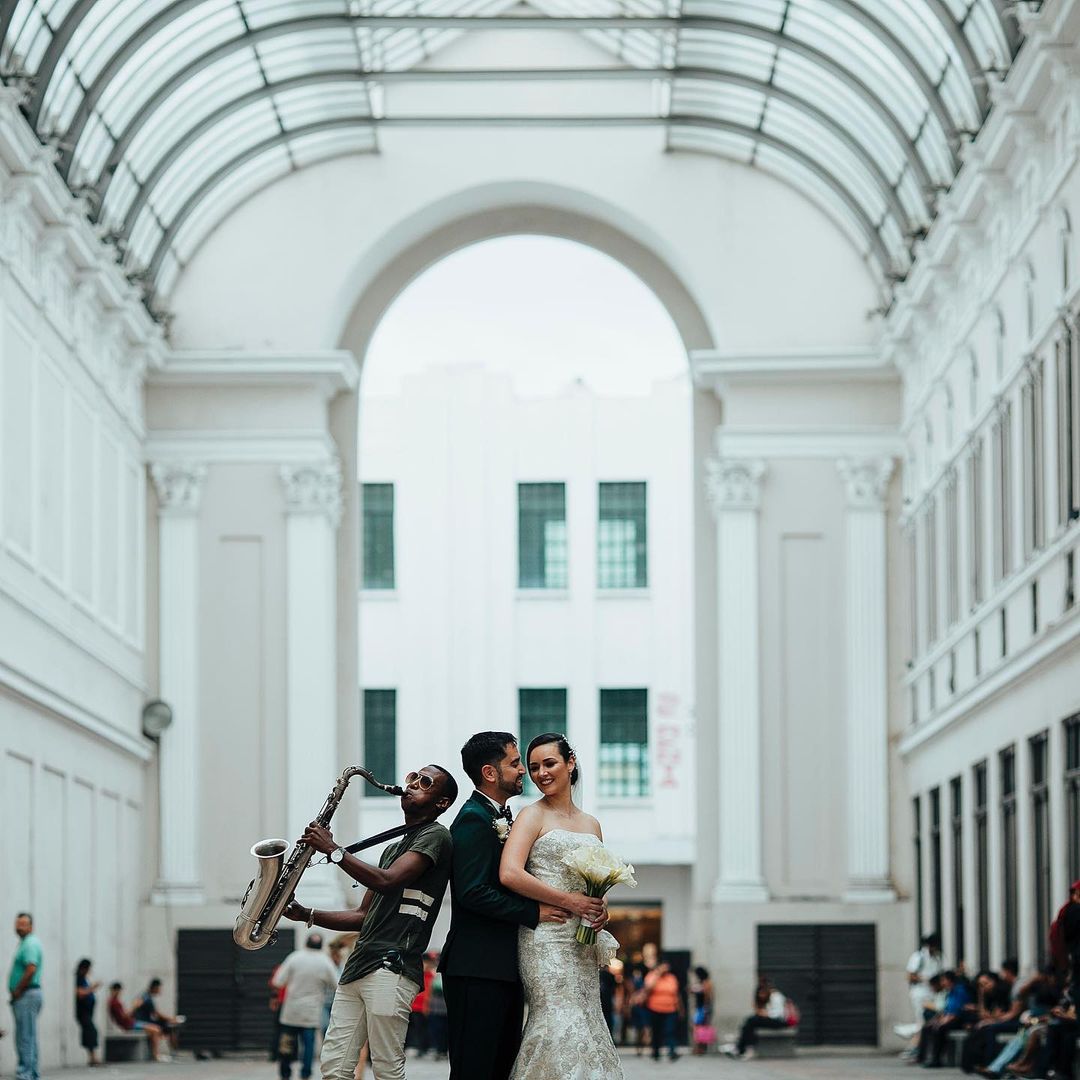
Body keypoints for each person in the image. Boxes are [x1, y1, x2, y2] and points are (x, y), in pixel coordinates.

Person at [282, 763, 457, 1080]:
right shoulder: (393, 847)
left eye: (425, 782)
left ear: (441, 803)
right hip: (357, 966)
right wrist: (306, 914)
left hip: (392, 965)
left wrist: (334, 850)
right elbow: (363, 916)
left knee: (387, 1069)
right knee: (334, 1068)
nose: (413, 783)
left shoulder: (436, 836)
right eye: (412, 777)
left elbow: (387, 881)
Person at [438, 731, 572, 1080]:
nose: (523, 771)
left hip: (503, 966)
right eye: (515, 763)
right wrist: (534, 913)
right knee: (475, 1069)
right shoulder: (473, 818)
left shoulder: (501, 816)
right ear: (490, 773)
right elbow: (473, 892)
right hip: (476, 967)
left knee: (500, 1068)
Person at [498, 732, 619, 1079]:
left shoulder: (591, 823)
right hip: (545, 938)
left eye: (549, 763)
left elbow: (596, 882)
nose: (540, 773)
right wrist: (571, 901)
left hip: (582, 941)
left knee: (587, 1017)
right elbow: (509, 873)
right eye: (533, 767)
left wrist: (600, 909)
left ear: (570, 763)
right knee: (556, 1018)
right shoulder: (530, 815)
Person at [272, 933, 340, 1079]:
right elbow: (337, 985)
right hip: (311, 1012)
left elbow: (278, 981)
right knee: (308, 1046)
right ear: (321, 945)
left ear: (306, 943)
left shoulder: (294, 957)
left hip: (291, 1010)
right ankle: (305, 1074)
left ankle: (285, 1074)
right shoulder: (325, 961)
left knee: (287, 1044)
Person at [8, 912, 43, 1080]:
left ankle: (25, 1074)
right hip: (27, 994)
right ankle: (31, 1073)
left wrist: (18, 990)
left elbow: (31, 968)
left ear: (31, 926)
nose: (19, 927)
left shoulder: (29, 944)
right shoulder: (26, 943)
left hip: (26, 994)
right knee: (28, 1035)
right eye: (17, 923)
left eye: (23, 924)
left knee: (25, 1037)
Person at [722, 975, 789, 1060]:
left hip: (780, 1021)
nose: (761, 995)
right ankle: (741, 1048)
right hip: (772, 1020)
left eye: (762, 992)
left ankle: (741, 1048)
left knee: (751, 1021)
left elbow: (778, 1014)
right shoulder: (767, 998)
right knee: (749, 1024)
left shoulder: (775, 996)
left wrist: (765, 1014)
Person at [916, 968, 971, 1067]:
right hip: (948, 1017)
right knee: (927, 1027)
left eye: (943, 980)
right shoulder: (949, 992)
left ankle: (936, 1059)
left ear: (950, 980)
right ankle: (922, 1057)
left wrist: (943, 1022)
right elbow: (945, 1010)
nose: (942, 983)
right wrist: (937, 1020)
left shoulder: (960, 991)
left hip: (959, 1019)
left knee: (939, 1029)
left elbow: (957, 1011)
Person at [107, 983, 164, 1061]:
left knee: (155, 1029)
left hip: (131, 1023)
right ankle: (156, 1055)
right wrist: (134, 1007)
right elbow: (124, 1016)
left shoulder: (114, 1001)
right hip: (129, 1025)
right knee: (156, 1030)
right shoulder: (114, 1002)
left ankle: (154, 1054)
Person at [644, 961, 683, 1063]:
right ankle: (655, 1052)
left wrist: (680, 1008)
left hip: (670, 1009)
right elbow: (648, 988)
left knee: (670, 1031)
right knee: (656, 1031)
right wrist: (657, 975)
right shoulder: (652, 976)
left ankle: (672, 1052)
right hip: (654, 1008)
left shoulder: (671, 978)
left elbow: (676, 994)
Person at [133, 979, 183, 1058]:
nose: (160, 991)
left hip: (146, 1020)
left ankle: (173, 1051)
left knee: (167, 1026)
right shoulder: (146, 998)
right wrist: (171, 1019)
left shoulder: (145, 996)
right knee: (167, 1027)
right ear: (155, 987)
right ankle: (156, 1054)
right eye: (159, 988)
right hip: (143, 1022)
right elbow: (156, 1014)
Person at [74, 958, 101, 1067]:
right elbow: (80, 993)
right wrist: (92, 988)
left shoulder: (83, 978)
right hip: (83, 1012)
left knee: (90, 1032)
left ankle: (92, 1057)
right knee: (91, 1031)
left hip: (88, 1012)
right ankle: (92, 1057)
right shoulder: (79, 979)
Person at [689, 965, 714, 1055]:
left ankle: (700, 1048)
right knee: (697, 1027)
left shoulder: (706, 983)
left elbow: (707, 996)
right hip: (700, 1008)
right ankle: (699, 1048)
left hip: (703, 1008)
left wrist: (705, 1008)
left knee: (700, 1027)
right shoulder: (701, 983)